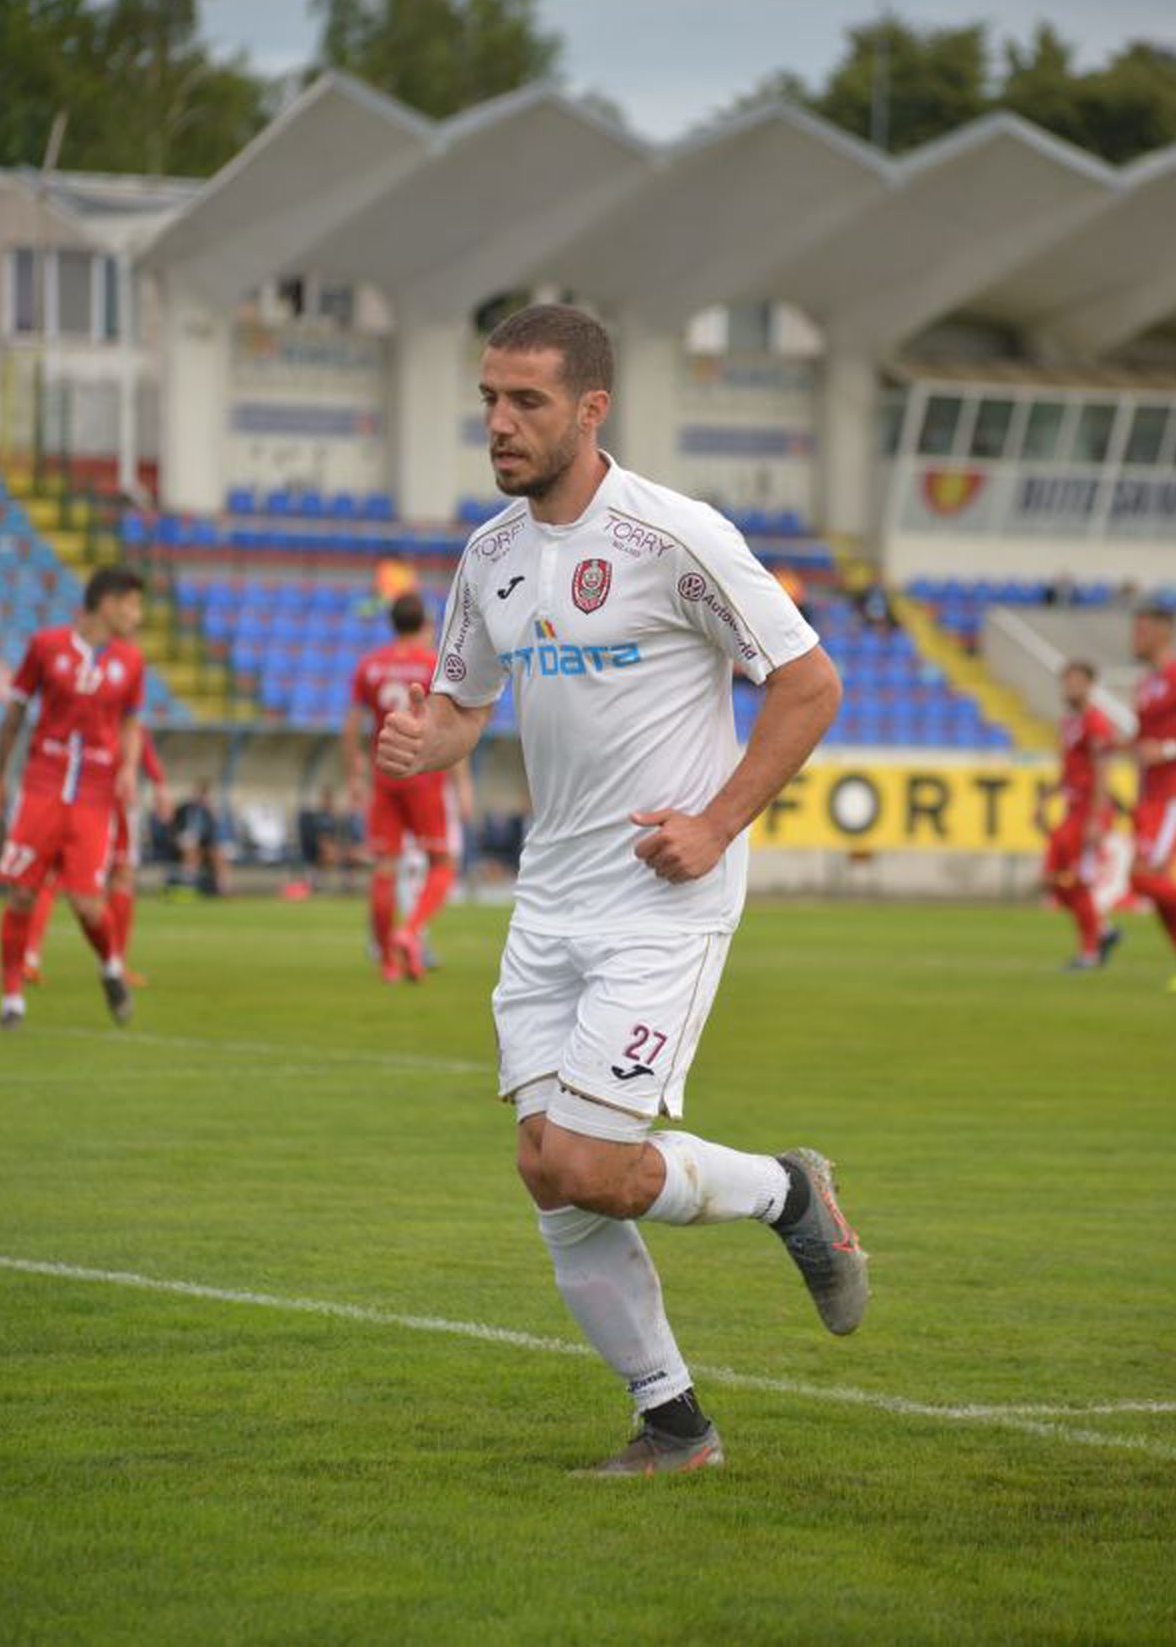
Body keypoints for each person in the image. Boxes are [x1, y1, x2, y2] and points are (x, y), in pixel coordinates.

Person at [378, 303, 867, 1477]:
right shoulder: (488, 556)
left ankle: (785, 1193)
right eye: (490, 398)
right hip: (550, 899)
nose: (499, 422)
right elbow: (462, 708)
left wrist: (714, 823)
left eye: (527, 402)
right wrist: (424, 740)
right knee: (547, 1167)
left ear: (592, 409)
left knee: (593, 1163)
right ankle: (674, 1423)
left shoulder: (674, 535)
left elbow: (809, 684)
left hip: (663, 896)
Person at [0, 565, 144, 1029]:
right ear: (108, 602)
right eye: (132, 605)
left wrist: (129, 768)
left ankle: (111, 966)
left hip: (96, 795)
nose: (136, 616)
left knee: (87, 904)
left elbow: (130, 722)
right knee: (21, 892)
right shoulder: (46, 646)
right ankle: (13, 999)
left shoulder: (131, 662)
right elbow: (17, 712)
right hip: (43, 782)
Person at [343, 593, 471, 982]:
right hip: (425, 775)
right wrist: (463, 785)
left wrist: (355, 772)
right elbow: (450, 729)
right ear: (425, 624)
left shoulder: (370, 665)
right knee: (443, 864)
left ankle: (387, 963)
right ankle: (409, 931)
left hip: (385, 774)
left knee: (384, 868)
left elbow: (351, 727)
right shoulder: (434, 665)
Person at [21, 730, 171, 988]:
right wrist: (157, 782)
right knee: (118, 876)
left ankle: (31, 957)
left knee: (53, 875)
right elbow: (134, 731)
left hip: (76, 793)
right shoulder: (116, 698)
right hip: (99, 796)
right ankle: (114, 964)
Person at [1112, 607, 1176, 993]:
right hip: (1149, 797)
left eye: (1141, 630)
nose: (1135, 637)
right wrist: (1119, 745)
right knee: (1151, 879)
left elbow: (1169, 743)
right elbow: (1143, 739)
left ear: (1164, 633)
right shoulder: (1147, 684)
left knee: (1142, 877)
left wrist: (1166, 750)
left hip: (1173, 795)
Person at [1035, 662, 1121, 971]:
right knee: (1052, 879)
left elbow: (1102, 772)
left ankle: (1090, 951)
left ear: (1090, 685)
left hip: (1089, 813)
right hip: (1072, 811)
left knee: (1078, 880)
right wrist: (1045, 800)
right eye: (1066, 681)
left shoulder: (1097, 723)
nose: (1069, 687)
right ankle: (1105, 931)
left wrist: (1096, 819)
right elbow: (1069, 769)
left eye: (1076, 681)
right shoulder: (1069, 722)